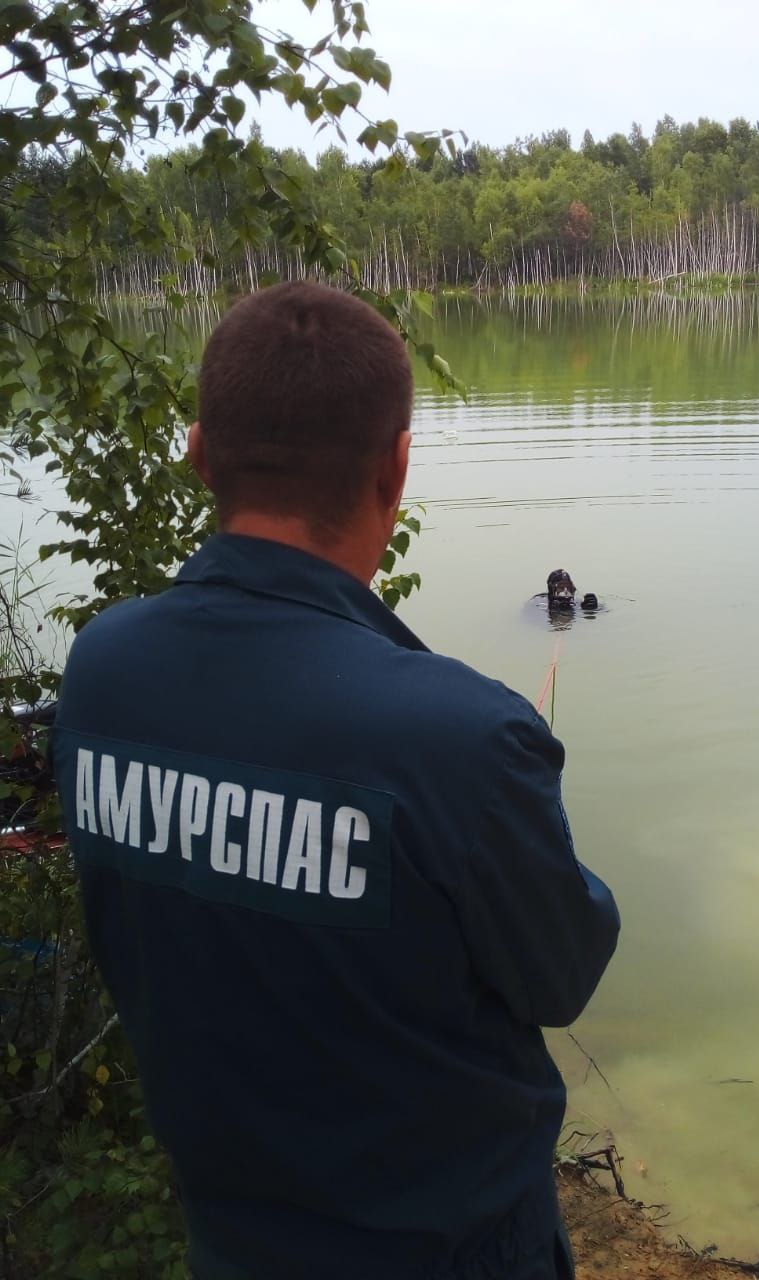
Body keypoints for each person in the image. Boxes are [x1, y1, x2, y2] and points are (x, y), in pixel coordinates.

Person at [51, 282, 620, 1280]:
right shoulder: (463, 736)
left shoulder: (102, 674)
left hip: (233, 1243)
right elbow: (563, 973)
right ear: (396, 466)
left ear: (196, 452)